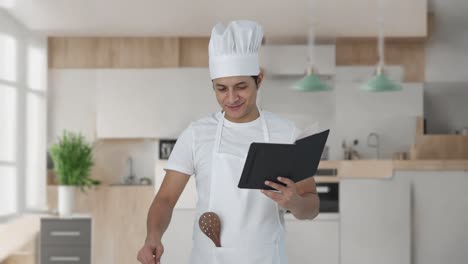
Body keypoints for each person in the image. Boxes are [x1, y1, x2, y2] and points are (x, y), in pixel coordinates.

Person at [137, 20, 320, 264]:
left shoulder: (287, 134)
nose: (231, 98)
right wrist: (153, 236)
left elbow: (312, 204)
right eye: (221, 89)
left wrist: (295, 203)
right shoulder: (196, 134)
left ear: (260, 79)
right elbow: (165, 199)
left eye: (241, 87)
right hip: (210, 258)